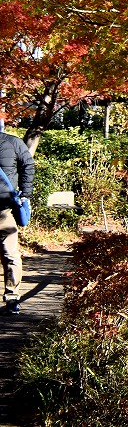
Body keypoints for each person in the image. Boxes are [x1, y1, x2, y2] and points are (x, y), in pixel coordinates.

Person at [0, 129, 33, 314]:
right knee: (11, 254)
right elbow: (28, 164)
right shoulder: (13, 142)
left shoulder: (13, 142)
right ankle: (12, 299)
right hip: (5, 209)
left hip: (4, 209)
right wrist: (25, 194)